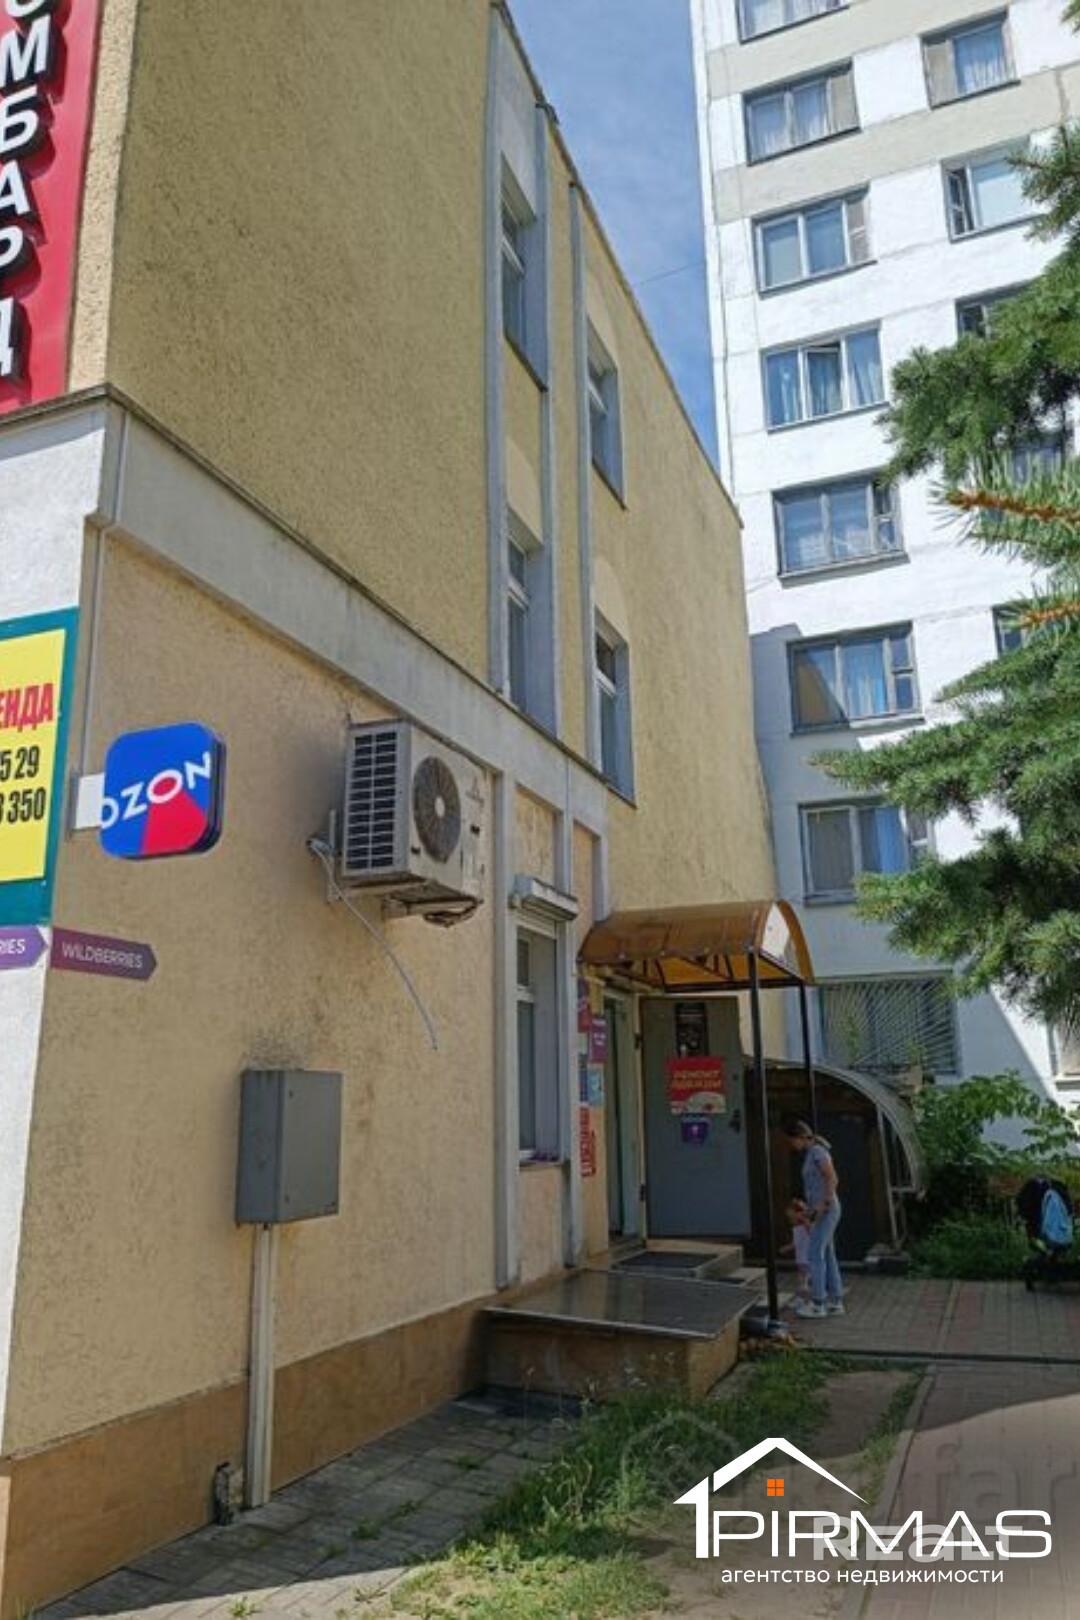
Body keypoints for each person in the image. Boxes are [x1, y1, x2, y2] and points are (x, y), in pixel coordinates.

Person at [784, 1119, 844, 1319]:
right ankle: (836, 1301)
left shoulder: (817, 1151)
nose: (792, 1145)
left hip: (827, 1210)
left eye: (791, 1141)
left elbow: (832, 1177)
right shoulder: (812, 1153)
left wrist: (824, 1203)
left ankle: (818, 1304)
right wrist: (810, 1211)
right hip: (821, 1211)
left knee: (814, 1253)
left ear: (799, 1137)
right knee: (827, 1253)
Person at [782, 1198, 812, 1303]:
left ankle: (804, 1299)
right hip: (802, 1258)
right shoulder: (800, 1227)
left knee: (803, 1280)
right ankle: (804, 1299)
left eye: (791, 1218)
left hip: (804, 1258)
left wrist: (785, 1248)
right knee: (803, 1279)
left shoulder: (800, 1228)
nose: (790, 1221)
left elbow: (796, 1244)